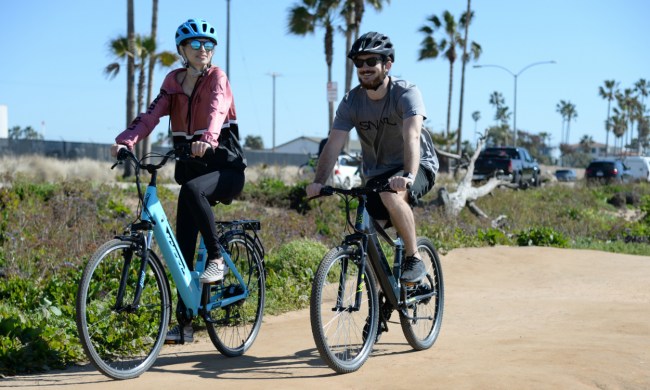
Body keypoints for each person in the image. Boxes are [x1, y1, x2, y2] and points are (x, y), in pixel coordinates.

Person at [111, 18, 247, 344]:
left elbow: (216, 107)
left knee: (191, 191)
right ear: (182, 50)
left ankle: (216, 259)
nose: (203, 50)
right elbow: (150, 115)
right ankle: (185, 323)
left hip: (226, 169)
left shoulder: (217, 78)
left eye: (209, 45)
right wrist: (126, 140)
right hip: (193, 173)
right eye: (196, 44)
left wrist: (208, 139)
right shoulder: (173, 83)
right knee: (181, 246)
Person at [306, 31, 439, 283]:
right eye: (359, 63)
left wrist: (408, 176)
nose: (364, 68)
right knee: (365, 228)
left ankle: (414, 257)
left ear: (387, 65)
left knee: (391, 193)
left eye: (371, 62)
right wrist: (319, 181)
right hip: (377, 173)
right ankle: (380, 301)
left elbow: (412, 136)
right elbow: (333, 144)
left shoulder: (406, 93)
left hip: (417, 165)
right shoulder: (351, 102)